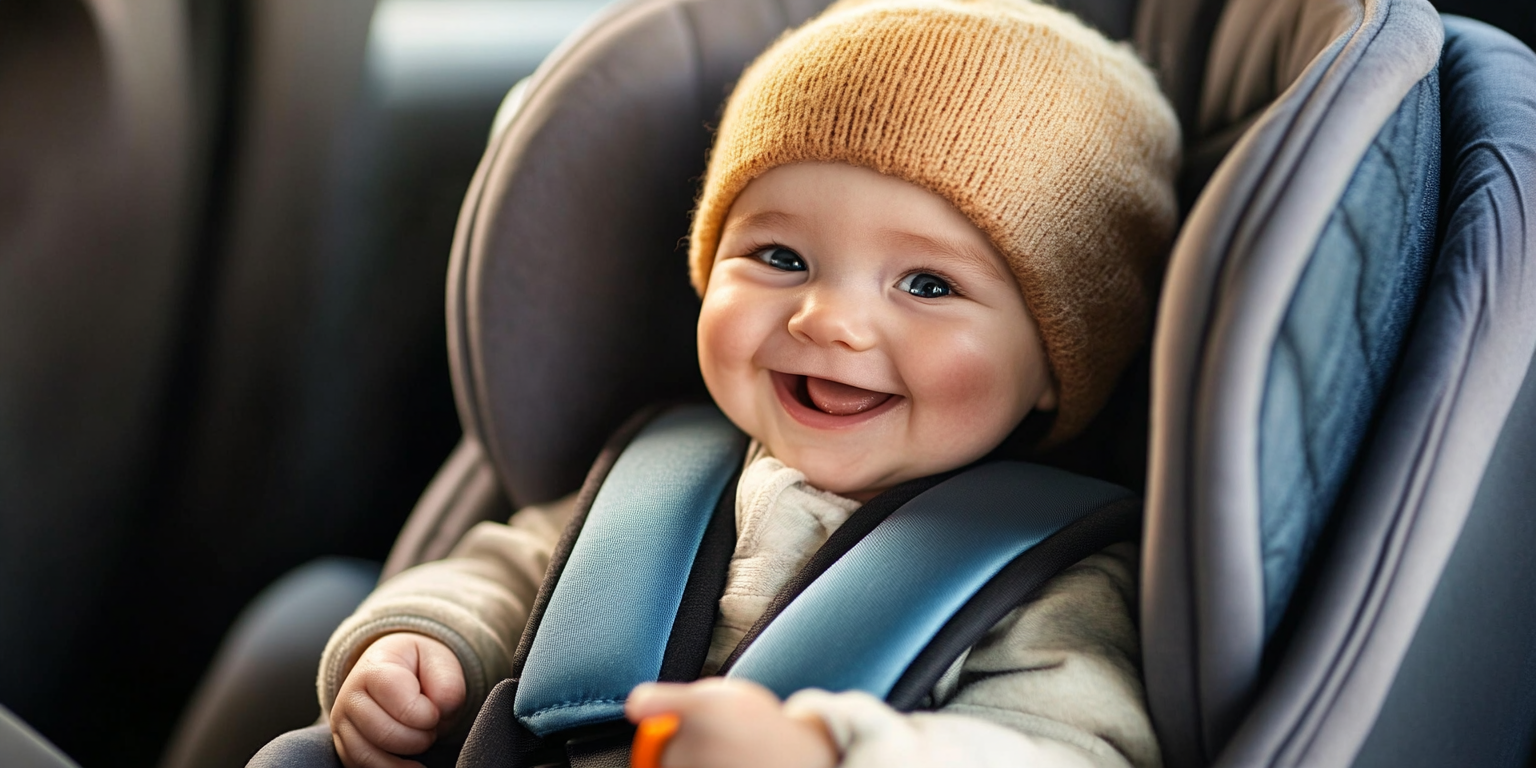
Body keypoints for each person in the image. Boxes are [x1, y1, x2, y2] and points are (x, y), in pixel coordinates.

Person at [316, 0, 1180, 765]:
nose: (826, 320)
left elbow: (1064, 748)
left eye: (928, 285)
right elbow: (507, 575)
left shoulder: (1050, 576)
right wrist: (422, 644)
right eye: (780, 257)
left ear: (1055, 357)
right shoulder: (654, 474)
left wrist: (831, 753)